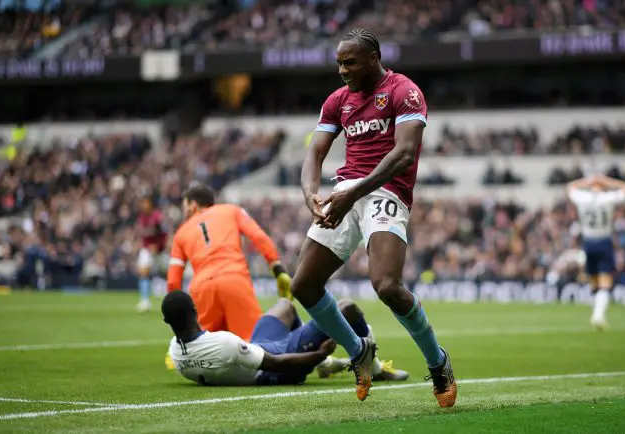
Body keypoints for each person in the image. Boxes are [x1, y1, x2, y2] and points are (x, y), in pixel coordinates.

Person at [289, 28, 456, 406]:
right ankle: (358, 351)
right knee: (303, 286)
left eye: (349, 62)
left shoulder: (403, 91)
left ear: (373, 59)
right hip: (346, 191)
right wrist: (310, 194)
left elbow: (405, 154)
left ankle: (437, 361)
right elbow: (314, 153)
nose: (342, 70)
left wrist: (353, 194)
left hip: (386, 192)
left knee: (386, 286)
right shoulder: (337, 101)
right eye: (338, 63)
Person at [163, 291, 404, 386]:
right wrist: (318, 354)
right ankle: (375, 368)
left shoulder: (176, 352)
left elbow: (235, 353)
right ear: (195, 312)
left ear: (169, 323)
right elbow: (277, 364)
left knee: (284, 306)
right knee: (348, 309)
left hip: (255, 350)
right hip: (276, 364)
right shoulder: (223, 343)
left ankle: (320, 361)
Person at [166, 183, 292, 341]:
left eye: (185, 205)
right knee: (255, 344)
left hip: (203, 288)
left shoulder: (181, 232)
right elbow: (259, 237)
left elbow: (173, 281)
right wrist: (277, 268)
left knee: (208, 350)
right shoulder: (231, 211)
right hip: (234, 278)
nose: (184, 210)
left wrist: (178, 317)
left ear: (193, 204)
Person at [567, 174, 625, 329]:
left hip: (588, 242)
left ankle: (597, 313)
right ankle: (598, 315)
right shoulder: (607, 198)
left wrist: (587, 181)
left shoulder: (583, 197)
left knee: (594, 281)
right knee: (605, 280)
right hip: (603, 241)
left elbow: (570, 187)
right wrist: (606, 181)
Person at [136, 195, 168, 313]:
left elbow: (164, 233)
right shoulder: (142, 217)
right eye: (142, 203)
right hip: (147, 248)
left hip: (159, 250)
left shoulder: (157, 216)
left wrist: (158, 246)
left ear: (150, 204)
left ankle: (174, 298)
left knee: (168, 274)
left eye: (145, 203)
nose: (143, 205)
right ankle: (145, 301)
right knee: (143, 271)